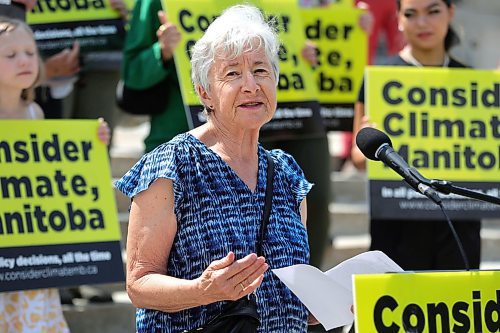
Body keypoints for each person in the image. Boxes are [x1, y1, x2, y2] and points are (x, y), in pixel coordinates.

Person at [115, 4, 330, 332]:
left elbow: (288, 291)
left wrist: (322, 305)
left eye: (260, 70)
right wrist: (204, 290)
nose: (251, 85)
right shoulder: (170, 167)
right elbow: (139, 284)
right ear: (205, 92)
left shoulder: (288, 175)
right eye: (232, 74)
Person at [351, 0, 481, 271]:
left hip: (457, 223)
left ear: (450, 13)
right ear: (398, 19)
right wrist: (370, 138)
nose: (422, 23)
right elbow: (359, 159)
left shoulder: (473, 83)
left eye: (433, 11)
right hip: (397, 224)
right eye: (411, 14)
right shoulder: (378, 79)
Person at [0, 16, 110, 333]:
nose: (25, 61)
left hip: (34, 251)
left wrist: (90, 144)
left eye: (30, 53)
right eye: (10, 55)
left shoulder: (35, 113)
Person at [120, 0, 188, 153]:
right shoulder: (152, 3)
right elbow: (132, 72)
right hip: (173, 140)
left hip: (245, 143)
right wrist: (162, 50)